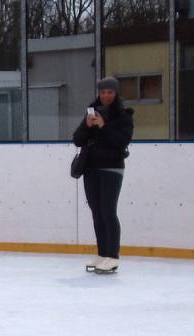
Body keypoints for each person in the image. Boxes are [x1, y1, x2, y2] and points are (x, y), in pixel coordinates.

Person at [72, 77, 135, 274]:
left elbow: (121, 140)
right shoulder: (91, 112)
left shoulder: (123, 115)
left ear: (115, 93)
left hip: (111, 168)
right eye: (103, 92)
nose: (106, 95)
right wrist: (88, 126)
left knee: (108, 211)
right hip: (90, 168)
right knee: (97, 211)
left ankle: (113, 255)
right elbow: (77, 139)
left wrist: (103, 126)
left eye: (110, 92)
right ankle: (102, 253)